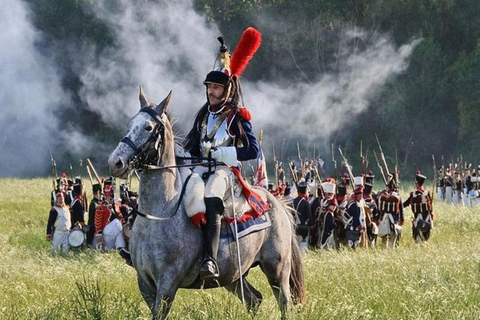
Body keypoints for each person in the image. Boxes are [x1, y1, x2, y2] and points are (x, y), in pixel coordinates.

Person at [183, 28, 262, 280]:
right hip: (199, 169)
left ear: (227, 90)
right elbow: (192, 146)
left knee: (211, 198)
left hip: (224, 172)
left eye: (216, 88)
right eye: (209, 87)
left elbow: (252, 150)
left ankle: (210, 259)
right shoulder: (203, 115)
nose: (211, 92)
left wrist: (223, 153)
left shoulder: (237, 116)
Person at [403, 171, 434, 243]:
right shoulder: (427, 194)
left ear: (417, 184)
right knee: (424, 238)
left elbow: (406, 203)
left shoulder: (414, 195)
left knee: (418, 237)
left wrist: (399, 206)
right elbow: (431, 208)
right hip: (426, 218)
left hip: (419, 218)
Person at [292, 182, 313, 252]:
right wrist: (312, 225)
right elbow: (309, 217)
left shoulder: (293, 201)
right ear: (305, 192)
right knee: (303, 245)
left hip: (294, 225)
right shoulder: (305, 203)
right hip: (303, 227)